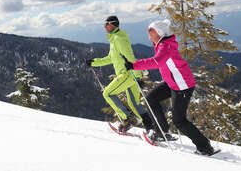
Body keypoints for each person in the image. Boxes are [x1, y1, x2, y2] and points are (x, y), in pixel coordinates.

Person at [123, 19, 215, 155]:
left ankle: (205, 147)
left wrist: (134, 65)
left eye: (151, 32)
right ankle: (162, 131)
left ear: (159, 33)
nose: (148, 34)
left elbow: (157, 61)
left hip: (182, 85)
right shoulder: (161, 44)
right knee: (151, 99)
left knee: (179, 120)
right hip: (173, 82)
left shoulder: (166, 46)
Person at [85, 15, 149, 132]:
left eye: (106, 24)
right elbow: (110, 58)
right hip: (131, 76)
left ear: (112, 24)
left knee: (107, 93)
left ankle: (127, 118)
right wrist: (93, 62)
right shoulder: (114, 39)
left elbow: (130, 58)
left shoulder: (119, 39)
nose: (104, 27)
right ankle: (152, 128)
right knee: (134, 103)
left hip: (127, 74)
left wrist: (138, 76)